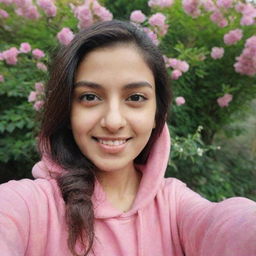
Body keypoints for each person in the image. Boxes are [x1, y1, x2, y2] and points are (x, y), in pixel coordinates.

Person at [0, 20, 255, 256]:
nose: (113, 121)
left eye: (135, 98)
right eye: (90, 97)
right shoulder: (32, 206)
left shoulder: (175, 208)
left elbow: (229, 224)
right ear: (67, 111)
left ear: (158, 113)